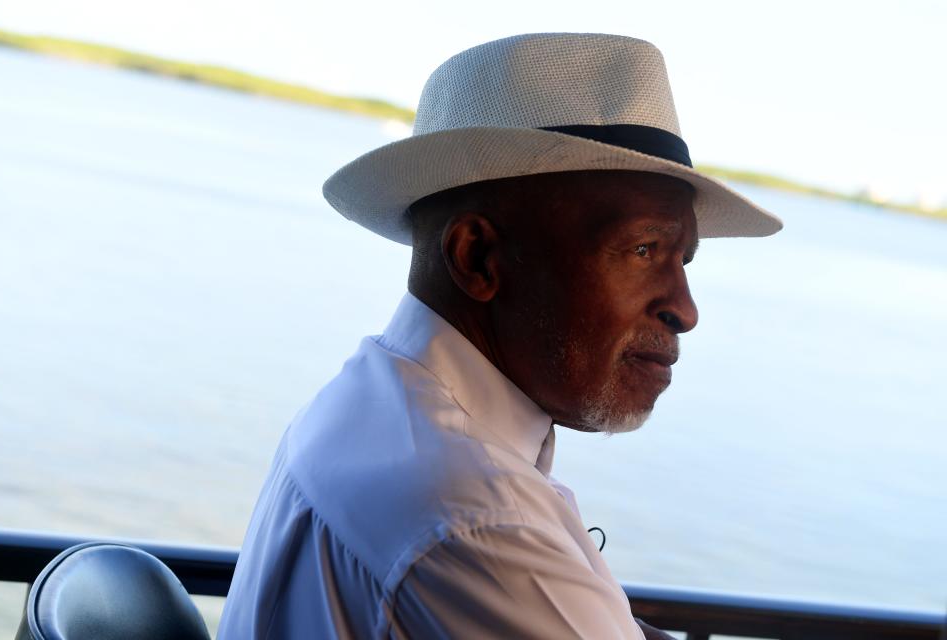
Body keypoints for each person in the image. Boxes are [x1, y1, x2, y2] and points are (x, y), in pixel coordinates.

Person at [218, 32, 782, 639]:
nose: (684, 309)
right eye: (643, 250)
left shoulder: (366, 405)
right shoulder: (475, 520)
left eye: (682, 261)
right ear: (479, 256)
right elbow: (486, 538)